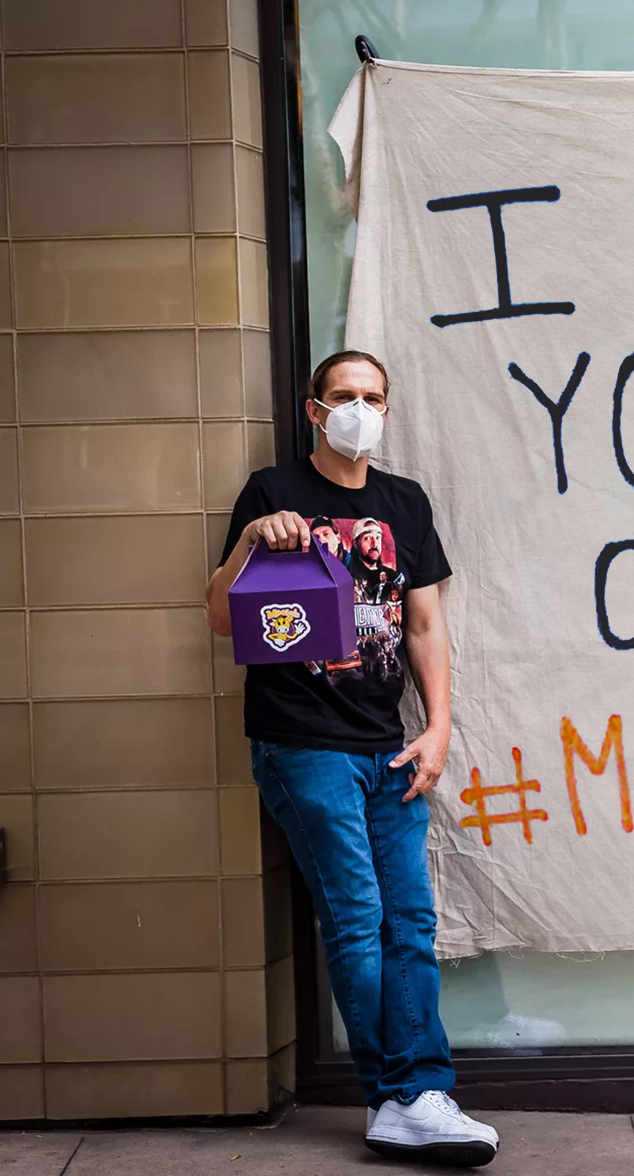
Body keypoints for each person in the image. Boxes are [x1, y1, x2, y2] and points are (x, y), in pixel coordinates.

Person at [206, 350, 499, 1167]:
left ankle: (415, 1096)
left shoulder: (404, 502)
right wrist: (252, 542)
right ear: (314, 409)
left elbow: (424, 624)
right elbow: (221, 617)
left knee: (410, 919)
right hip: (303, 743)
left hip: (387, 744)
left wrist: (438, 726)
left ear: (387, 410)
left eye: (372, 397)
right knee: (358, 916)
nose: (358, 410)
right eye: (344, 396)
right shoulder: (272, 493)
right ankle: (401, 1094)